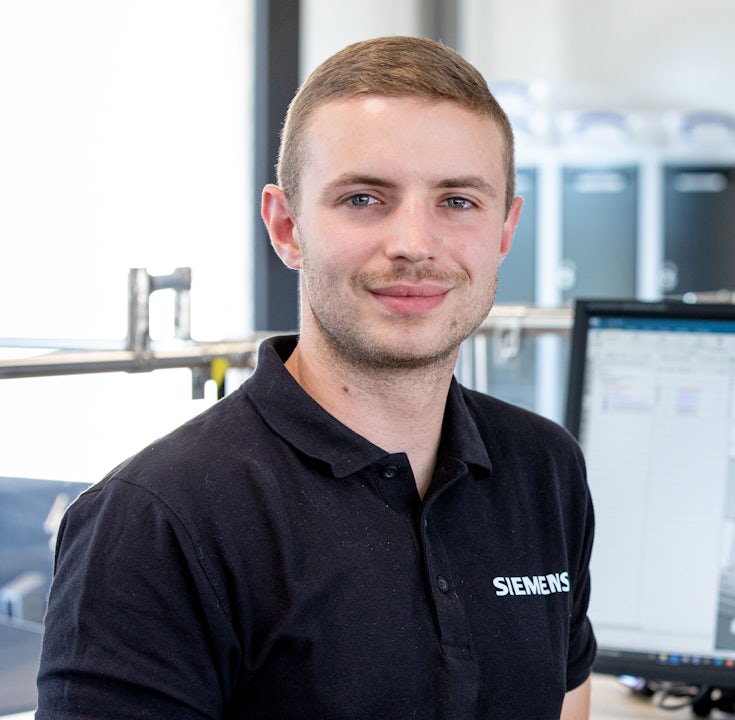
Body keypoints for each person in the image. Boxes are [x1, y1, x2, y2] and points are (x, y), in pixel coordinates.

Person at [37, 36, 595, 719]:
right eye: (364, 198)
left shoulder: (545, 468)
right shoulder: (156, 520)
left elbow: (568, 705)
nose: (414, 244)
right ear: (286, 225)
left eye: (457, 201)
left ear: (505, 228)